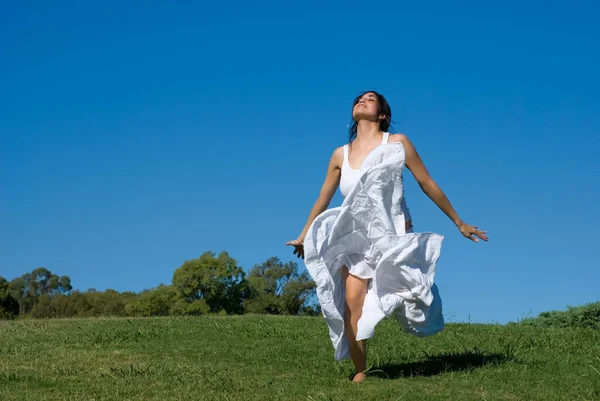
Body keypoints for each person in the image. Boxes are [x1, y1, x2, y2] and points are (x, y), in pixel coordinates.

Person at [287, 90, 488, 383]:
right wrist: (304, 235)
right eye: (358, 98)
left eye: (370, 99)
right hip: (355, 237)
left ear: (382, 114)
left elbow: (426, 182)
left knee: (413, 297)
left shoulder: (397, 143)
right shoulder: (340, 154)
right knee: (351, 301)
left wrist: (459, 221)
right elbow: (323, 198)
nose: (362, 100)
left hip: (392, 234)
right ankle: (360, 371)